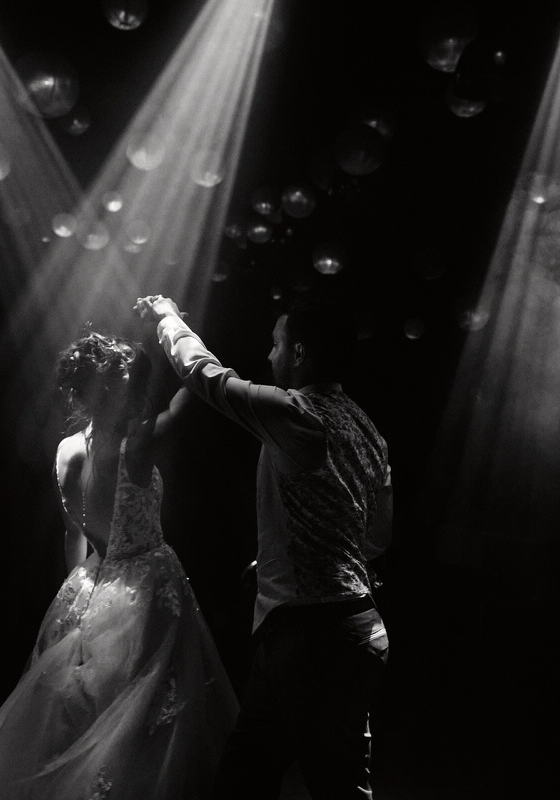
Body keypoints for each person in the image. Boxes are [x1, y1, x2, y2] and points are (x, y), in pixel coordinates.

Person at [0, 328, 238, 800]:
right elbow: (201, 389)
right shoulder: (136, 445)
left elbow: (72, 531)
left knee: (84, 716)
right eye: (129, 383)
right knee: (142, 718)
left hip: (87, 583)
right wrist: (175, 324)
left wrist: (81, 606)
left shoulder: (67, 449)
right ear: (116, 389)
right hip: (145, 586)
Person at [135, 294, 393, 800]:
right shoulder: (368, 428)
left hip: (313, 636)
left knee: (327, 787)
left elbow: (208, 377)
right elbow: (379, 536)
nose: (269, 355)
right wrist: (300, 554)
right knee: (245, 776)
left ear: (299, 353)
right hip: (335, 626)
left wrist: (168, 318)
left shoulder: (292, 410)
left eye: (276, 344)